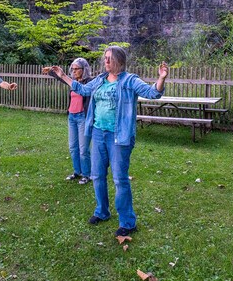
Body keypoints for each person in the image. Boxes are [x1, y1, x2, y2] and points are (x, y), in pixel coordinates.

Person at [50, 46, 168, 237]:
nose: (105, 61)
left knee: (120, 179)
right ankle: (102, 212)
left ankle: (128, 222)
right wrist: (63, 75)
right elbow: (82, 89)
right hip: (98, 133)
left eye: (108, 58)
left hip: (119, 136)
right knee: (97, 175)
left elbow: (153, 93)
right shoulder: (100, 80)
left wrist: (161, 78)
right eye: (104, 58)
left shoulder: (130, 80)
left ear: (119, 61)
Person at [43, 58, 93, 184]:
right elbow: (61, 78)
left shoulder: (90, 82)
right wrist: (50, 71)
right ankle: (77, 172)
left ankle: (87, 174)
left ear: (84, 69)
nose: (74, 71)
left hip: (83, 117)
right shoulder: (72, 82)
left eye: (77, 69)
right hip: (72, 116)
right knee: (73, 147)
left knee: (83, 149)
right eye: (73, 69)